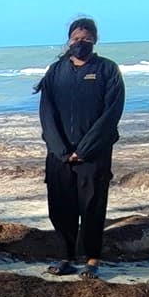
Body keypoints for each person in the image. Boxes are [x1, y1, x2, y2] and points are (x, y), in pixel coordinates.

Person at [36, 17, 125, 280]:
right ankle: (66, 257)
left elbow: (111, 114)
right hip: (59, 155)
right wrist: (61, 150)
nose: (80, 43)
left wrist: (84, 150)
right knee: (60, 207)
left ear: (95, 40)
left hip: (94, 155)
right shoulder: (55, 71)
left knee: (92, 207)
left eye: (86, 38)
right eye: (76, 38)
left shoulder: (107, 69)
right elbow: (46, 113)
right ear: (69, 40)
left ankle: (92, 259)